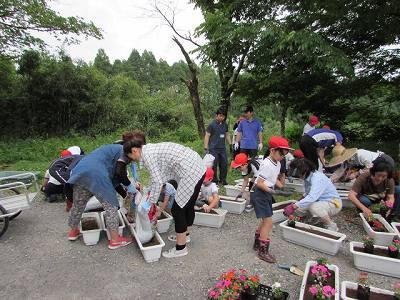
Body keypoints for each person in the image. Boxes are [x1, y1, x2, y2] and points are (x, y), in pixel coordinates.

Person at [123, 141, 206, 258]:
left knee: (178, 209)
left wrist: (150, 202)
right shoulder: (149, 149)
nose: (132, 160)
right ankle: (185, 236)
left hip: (190, 172)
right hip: (197, 166)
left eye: (130, 157)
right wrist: (150, 193)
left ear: (134, 151)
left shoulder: (147, 156)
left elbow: (157, 182)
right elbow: (158, 177)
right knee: (188, 204)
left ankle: (181, 248)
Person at [67, 143, 138, 250]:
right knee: (111, 206)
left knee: (78, 205)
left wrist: (124, 195)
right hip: (97, 174)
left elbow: (115, 181)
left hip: (80, 172)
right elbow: (119, 173)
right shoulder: (122, 152)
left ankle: (73, 231)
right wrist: (129, 186)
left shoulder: (108, 151)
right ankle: (115, 240)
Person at [251, 136, 292, 263]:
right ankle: (262, 251)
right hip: (260, 193)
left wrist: (283, 188)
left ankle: (257, 243)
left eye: (284, 154)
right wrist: (273, 191)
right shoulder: (267, 164)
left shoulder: (278, 163)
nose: (282, 157)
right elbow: (259, 182)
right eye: (281, 153)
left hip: (266, 193)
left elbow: (273, 180)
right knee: (268, 222)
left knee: (266, 220)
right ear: (273, 150)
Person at [284, 158, 342, 232]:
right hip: (318, 201)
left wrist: (293, 206)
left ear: (305, 170)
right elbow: (307, 194)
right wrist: (296, 204)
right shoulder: (307, 177)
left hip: (332, 203)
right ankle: (306, 220)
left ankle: (331, 225)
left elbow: (312, 197)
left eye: (299, 174)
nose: (299, 176)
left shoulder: (318, 178)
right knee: (298, 209)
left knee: (314, 207)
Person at [204, 108, 232, 185]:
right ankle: (214, 180)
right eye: (220, 116)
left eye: (223, 116)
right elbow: (207, 136)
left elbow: (227, 134)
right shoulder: (211, 124)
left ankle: (223, 179)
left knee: (224, 163)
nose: (221, 118)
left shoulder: (225, 124)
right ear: (216, 115)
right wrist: (206, 148)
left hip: (222, 148)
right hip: (213, 148)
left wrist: (230, 144)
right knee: (214, 164)